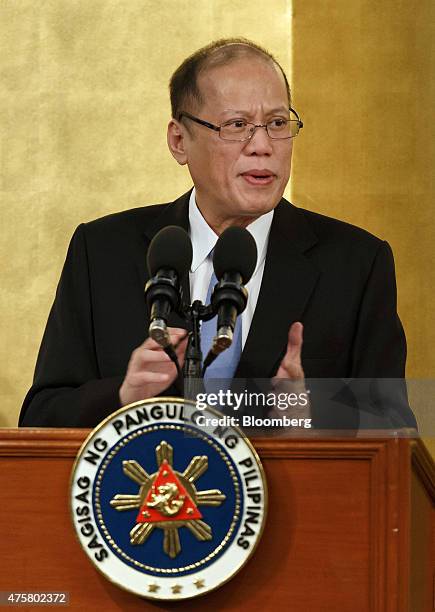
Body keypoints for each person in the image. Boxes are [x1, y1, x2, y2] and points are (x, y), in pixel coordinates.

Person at [19, 38, 416, 429]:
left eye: (278, 123)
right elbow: (42, 414)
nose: (262, 145)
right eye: (237, 125)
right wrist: (122, 398)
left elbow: (396, 428)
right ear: (179, 141)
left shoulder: (354, 263)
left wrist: (312, 414)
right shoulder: (103, 252)